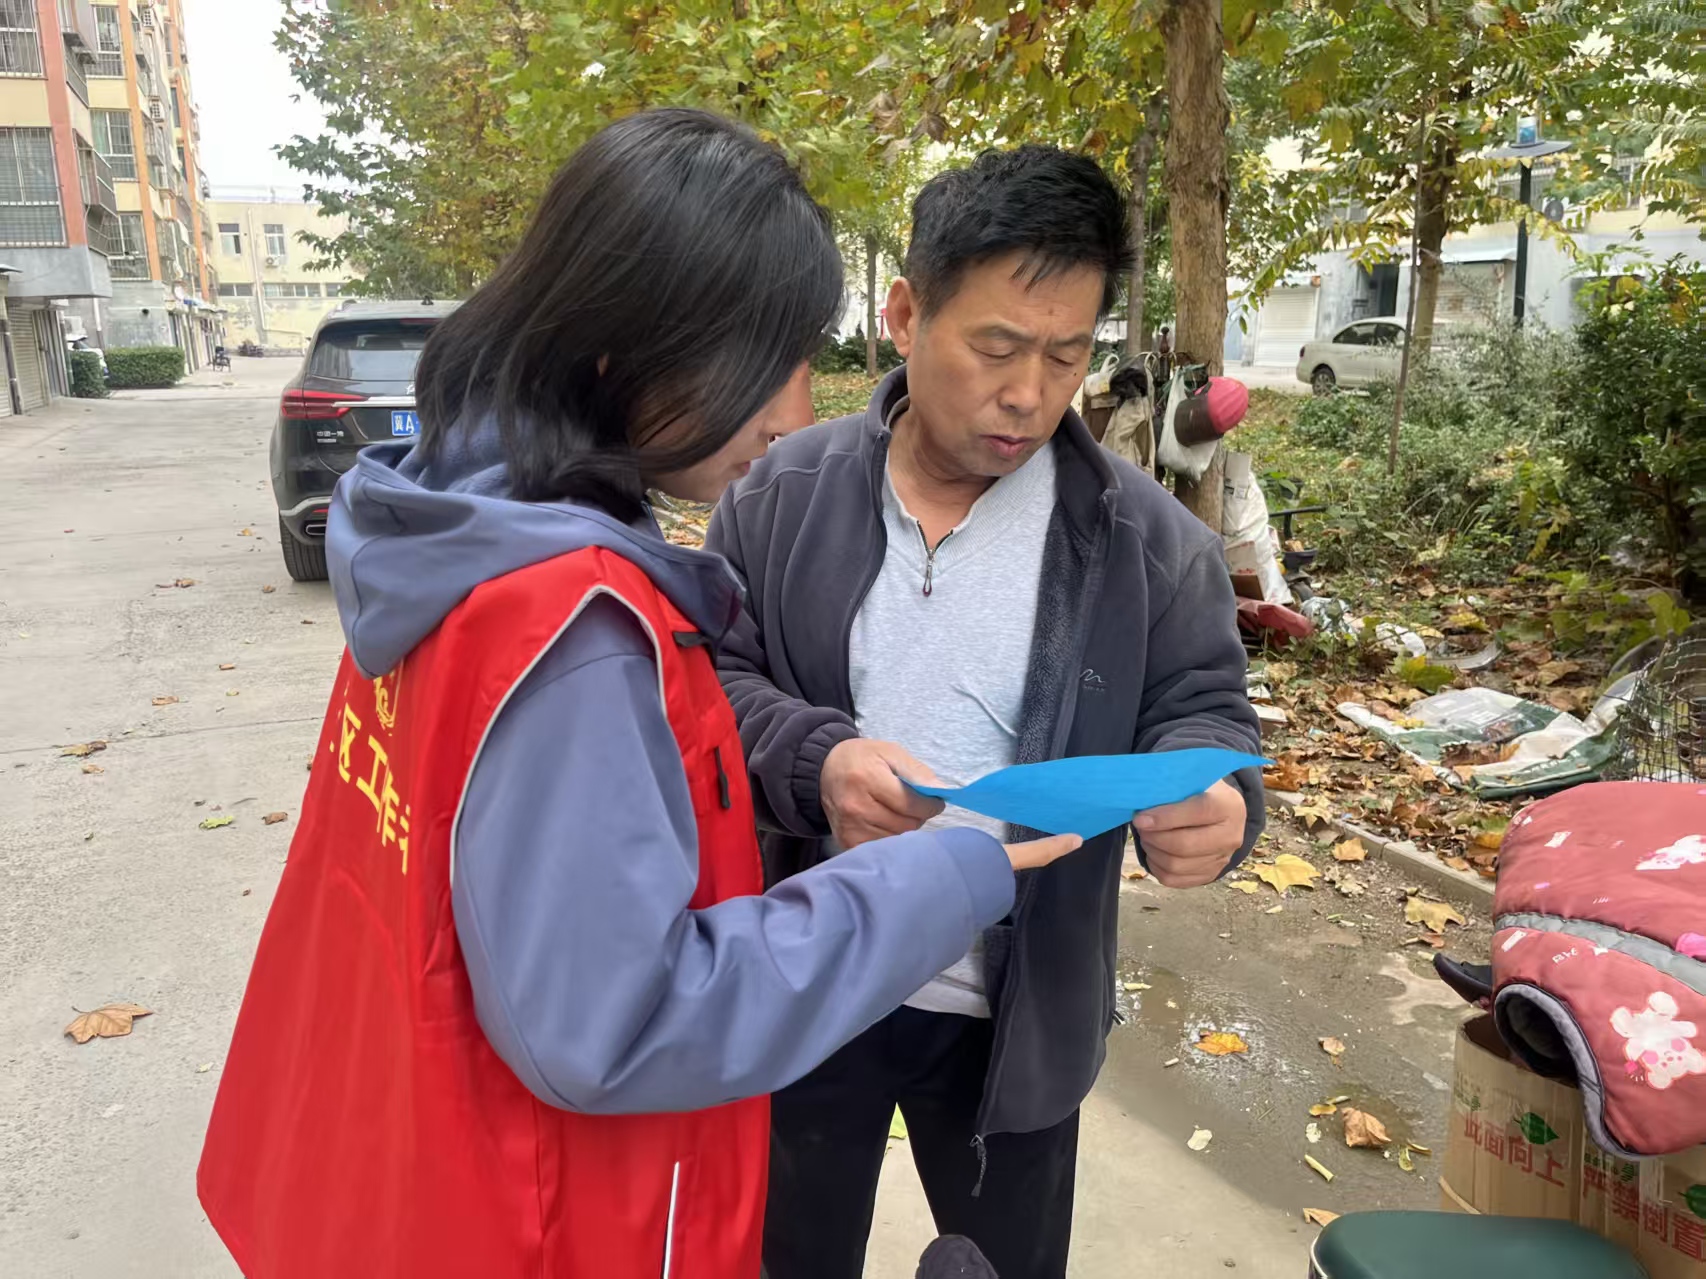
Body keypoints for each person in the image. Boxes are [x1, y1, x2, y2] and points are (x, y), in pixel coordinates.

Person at [195, 110, 1081, 1279]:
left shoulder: (446, 533)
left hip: (407, 1173)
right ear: (631, 344)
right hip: (557, 1221)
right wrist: (937, 877)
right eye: (769, 361)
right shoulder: (575, 627)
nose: (792, 411)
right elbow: (616, 1022)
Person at [705, 146, 1264, 1279]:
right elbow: (711, 683)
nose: (1028, 393)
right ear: (906, 315)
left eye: (1067, 354)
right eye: (998, 347)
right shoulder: (781, 495)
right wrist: (814, 761)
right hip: (805, 978)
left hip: (1013, 1014)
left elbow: (1205, 714)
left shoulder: (1149, 543)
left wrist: (1220, 801)